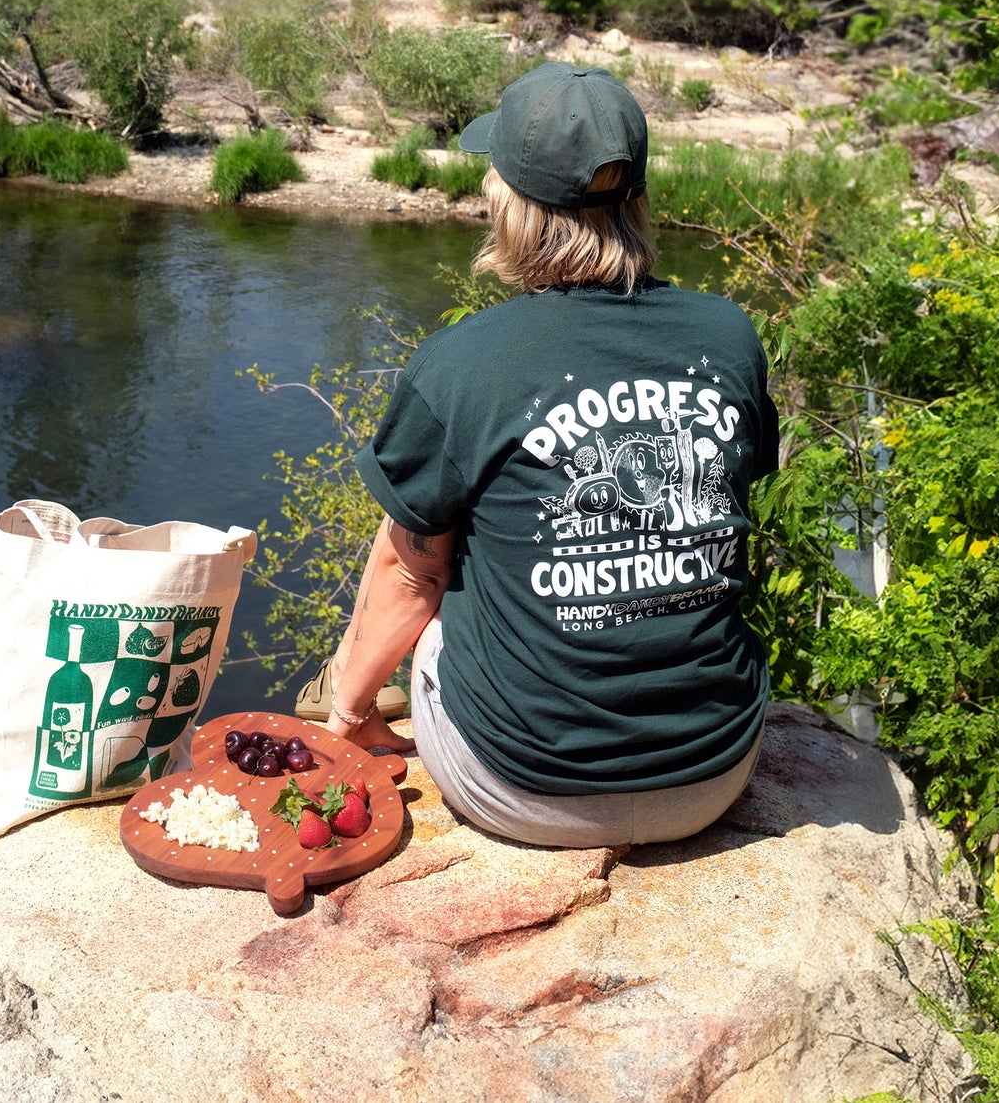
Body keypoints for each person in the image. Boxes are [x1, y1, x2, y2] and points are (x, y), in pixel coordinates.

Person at [303, 63, 779, 848]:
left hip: (520, 790)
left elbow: (411, 574)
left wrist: (350, 716)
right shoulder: (725, 336)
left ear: (510, 205)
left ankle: (345, 698)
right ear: (636, 196)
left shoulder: (464, 361)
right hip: (711, 775)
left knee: (417, 550)